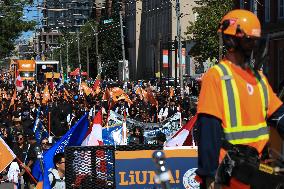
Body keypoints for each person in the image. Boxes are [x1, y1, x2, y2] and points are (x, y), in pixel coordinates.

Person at [196, 9, 284, 189]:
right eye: (249, 41)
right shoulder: (216, 76)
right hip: (228, 170)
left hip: (256, 168)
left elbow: (279, 116)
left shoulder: (258, 78)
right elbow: (208, 128)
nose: (255, 47)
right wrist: (209, 175)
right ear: (232, 42)